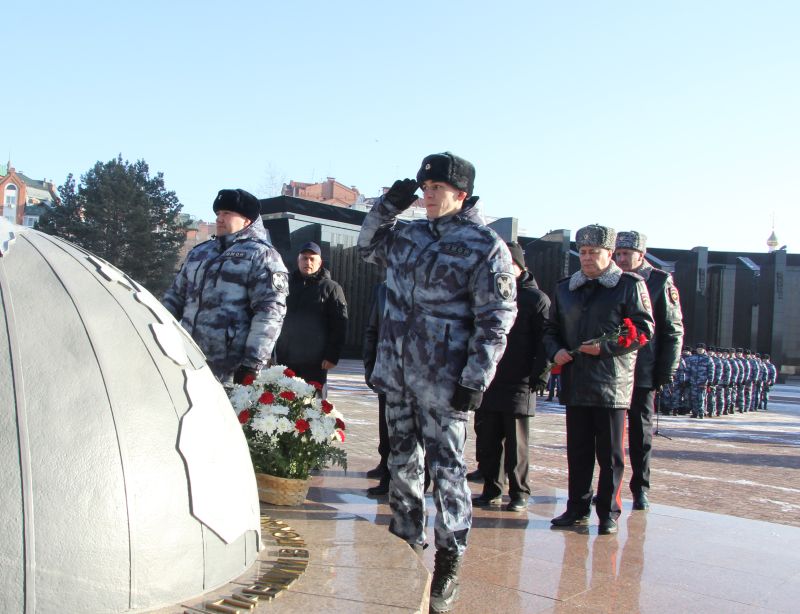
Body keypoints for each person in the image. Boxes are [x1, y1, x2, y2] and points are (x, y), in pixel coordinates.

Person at [357, 151, 517, 613]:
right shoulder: (407, 236)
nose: (427, 197)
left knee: (447, 470)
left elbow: (496, 318)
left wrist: (476, 376)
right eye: (424, 190)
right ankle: (406, 539)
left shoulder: (484, 245)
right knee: (402, 462)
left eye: (436, 190)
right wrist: (388, 206)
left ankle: (450, 558)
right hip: (399, 374)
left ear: (461, 194)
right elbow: (368, 247)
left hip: (445, 379)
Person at [544, 224, 654, 535]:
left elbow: (643, 330)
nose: (587, 257)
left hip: (611, 384)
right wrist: (556, 351)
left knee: (610, 455)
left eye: (594, 252)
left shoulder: (629, 286)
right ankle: (576, 508)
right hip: (575, 380)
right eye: (583, 252)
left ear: (609, 254)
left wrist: (604, 348)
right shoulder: (566, 288)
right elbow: (550, 329)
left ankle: (609, 512)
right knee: (578, 451)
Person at [162, 188, 288, 385]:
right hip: (186, 359)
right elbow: (174, 298)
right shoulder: (199, 253)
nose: (219, 219)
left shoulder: (262, 255)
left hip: (229, 370)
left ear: (247, 220)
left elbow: (270, 312)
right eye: (218, 213)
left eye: (227, 213)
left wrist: (252, 364)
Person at [472, 241, 550, 513]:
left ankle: (519, 492)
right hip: (490, 376)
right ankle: (492, 490)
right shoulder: (490, 293)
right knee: (489, 438)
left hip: (520, 380)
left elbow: (545, 341)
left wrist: (541, 372)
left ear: (520, 267)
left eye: (510, 265)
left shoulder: (536, 299)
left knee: (516, 442)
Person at [613, 231, 683, 510]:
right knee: (611, 435)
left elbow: (673, 329)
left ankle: (641, 488)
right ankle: (611, 488)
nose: (620, 259)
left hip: (644, 369)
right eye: (617, 254)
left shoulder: (660, 281)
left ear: (641, 255)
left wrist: (666, 370)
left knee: (640, 434)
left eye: (626, 255)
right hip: (614, 368)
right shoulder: (613, 280)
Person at [274, 242, 348, 396]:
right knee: (283, 404)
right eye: (304, 258)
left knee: (311, 407)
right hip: (285, 357)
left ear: (320, 262)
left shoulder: (331, 288)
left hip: (315, 362)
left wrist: (332, 356)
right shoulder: (285, 285)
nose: (308, 262)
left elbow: (340, 324)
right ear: (298, 260)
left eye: (312, 259)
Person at [363, 281, 390, 495]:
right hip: (387, 370)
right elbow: (373, 328)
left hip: (417, 373)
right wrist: (370, 364)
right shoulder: (383, 288)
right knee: (387, 424)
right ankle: (387, 472)